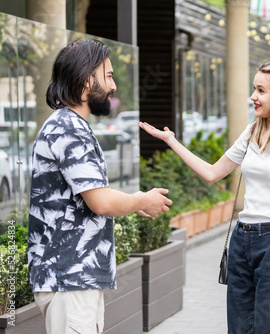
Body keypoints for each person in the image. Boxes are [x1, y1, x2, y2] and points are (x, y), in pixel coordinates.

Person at [139, 60, 270, 333]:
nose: (253, 97)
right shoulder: (252, 132)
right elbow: (213, 173)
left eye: (260, 90)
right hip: (241, 240)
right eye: (253, 89)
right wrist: (171, 141)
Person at [28, 39, 173, 334]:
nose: (114, 86)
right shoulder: (68, 129)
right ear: (85, 82)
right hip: (69, 276)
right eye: (108, 75)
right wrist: (141, 201)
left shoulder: (69, 125)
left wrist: (136, 202)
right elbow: (101, 201)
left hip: (74, 276)